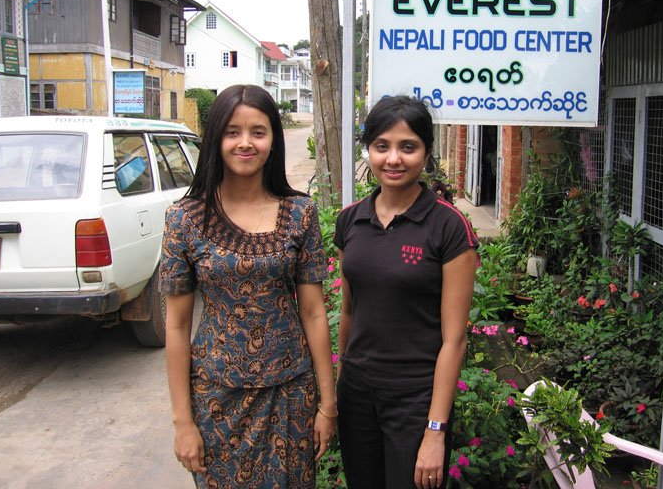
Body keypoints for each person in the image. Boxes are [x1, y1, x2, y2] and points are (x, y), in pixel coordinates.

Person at [160, 84, 336, 488]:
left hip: (290, 396)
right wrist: (183, 421)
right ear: (215, 139)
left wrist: (328, 405)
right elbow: (176, 326)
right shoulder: (185, 219)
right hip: (216, 400)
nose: (245, 143)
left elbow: (313, 312)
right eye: (232, 132)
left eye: (258, 132)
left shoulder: (300, 214)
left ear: (273, 140)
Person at [334, 95, 479, 489]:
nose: (393, 159)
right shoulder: (350, 221)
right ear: (369, 150)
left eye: (407, 147)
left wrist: (435, 430)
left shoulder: (449, 227)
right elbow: (349, 313)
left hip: (416, 399)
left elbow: (455, 340)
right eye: (382, 146)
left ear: (427, 153)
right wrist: (340, 384)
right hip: (357, 395)